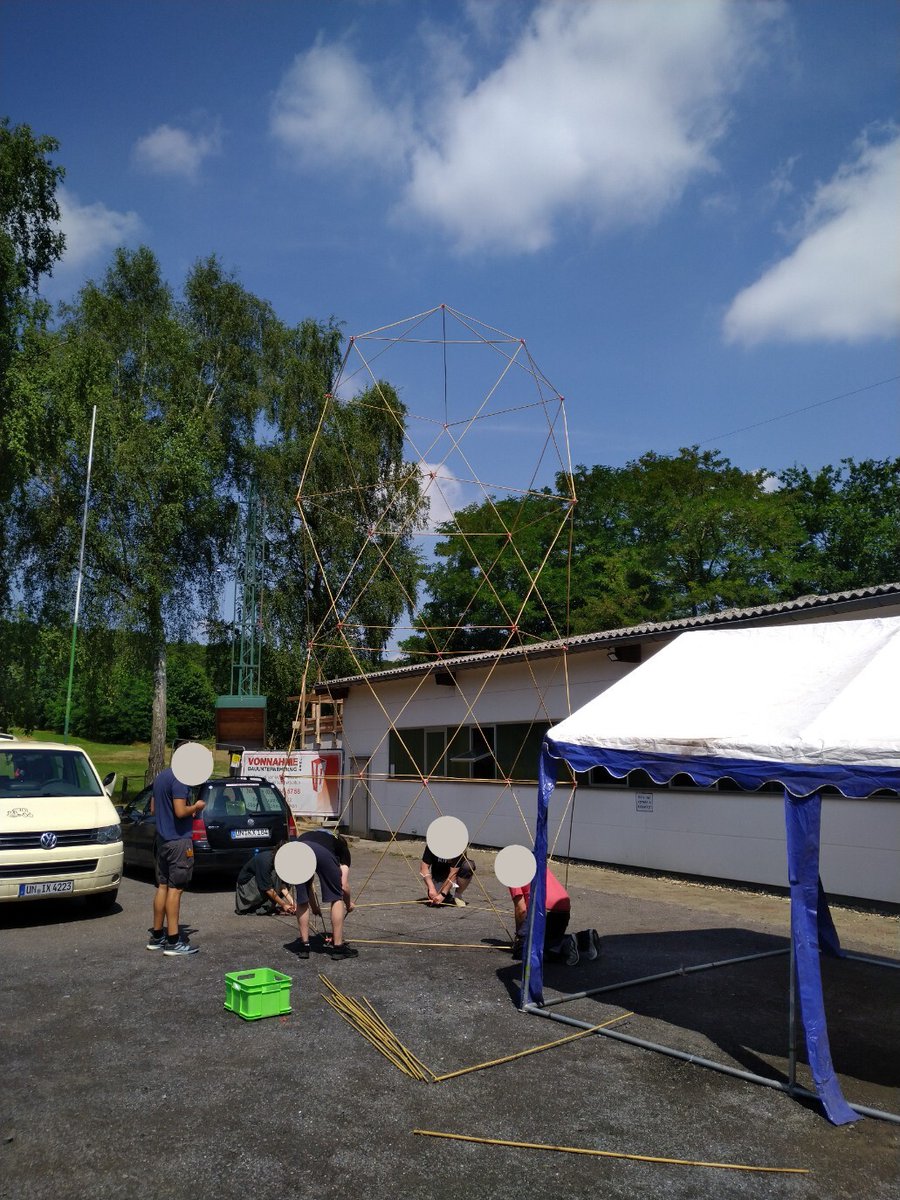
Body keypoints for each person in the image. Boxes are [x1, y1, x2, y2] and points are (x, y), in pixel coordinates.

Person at [145, 764, 206, 956]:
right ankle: (173, 940)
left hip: (162, 841)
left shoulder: (161, 777)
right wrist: (195, 807)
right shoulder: (180, 779)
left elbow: (154, 809)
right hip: (178, 841)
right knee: (176, 889)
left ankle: (157, 936)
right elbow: (180, 811)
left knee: (162, 886)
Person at [509, 866, 601, 967]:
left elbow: (521, 909)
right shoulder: (536, 861)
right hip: (563, 908)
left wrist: (520, 936)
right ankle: (585, 938)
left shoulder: (512, 871)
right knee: (549, 939)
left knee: (522, 950)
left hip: (546, 911)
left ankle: (566, 943)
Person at [293, 829, 357, 959]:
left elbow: (308, 885)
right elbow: (343, 886)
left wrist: (315, 907)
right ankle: (338, 948)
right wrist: (348, 904)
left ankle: (304, 946)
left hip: (297, 849)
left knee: (301, 899)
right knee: (336, 897)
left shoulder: (315, 834)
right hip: (322, 852)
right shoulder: (343, 849)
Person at [234, 839, 297, 916]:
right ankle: (262, 907)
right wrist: (283, 904)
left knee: (283, 875)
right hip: (246, 890)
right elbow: (268, 889)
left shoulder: (278, 861)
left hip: (258, 886)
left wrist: (292, 902)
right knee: (275, 875)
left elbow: (282, 885)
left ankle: (267, 906)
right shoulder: (265, 861)